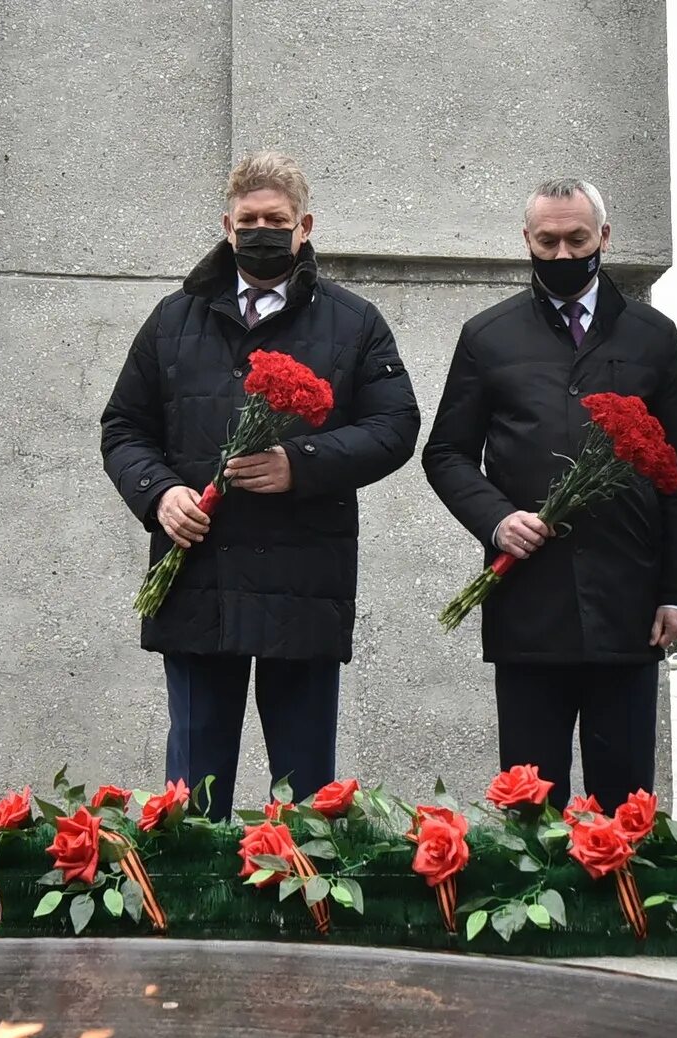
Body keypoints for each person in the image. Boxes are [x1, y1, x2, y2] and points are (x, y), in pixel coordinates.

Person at [100, 151, 419, 819]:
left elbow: (395, 426)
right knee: (192, 796)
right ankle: (186, 917)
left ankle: (301, 910)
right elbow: (123, 428)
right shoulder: (171, 320)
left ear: (304, 226)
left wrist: (300, 463)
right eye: (248, 219)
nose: (261, 230)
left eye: (276, 219)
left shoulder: (354, 322)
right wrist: (160, 494)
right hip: (196, 584)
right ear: (226, 224)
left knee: (306, 802)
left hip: (303, 587)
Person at [423, 178, 677, 809]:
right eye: (546, 240)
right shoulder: (487, 336)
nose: (560, 254)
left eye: (576, 239)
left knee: (624, 802)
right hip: (529, 599)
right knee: (529, 803)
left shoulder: (653, 336)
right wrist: (496, 520)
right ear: (526, 240)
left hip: (628, 603)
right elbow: (445, 454)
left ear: (603, 237)